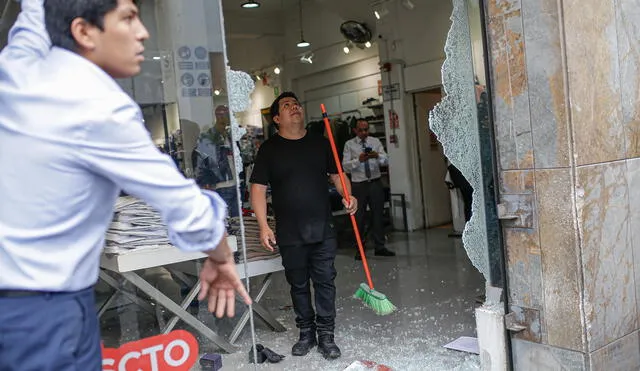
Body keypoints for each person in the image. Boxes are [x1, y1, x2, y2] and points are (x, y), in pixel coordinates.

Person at [0, 1, 251, 370]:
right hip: (46, 317)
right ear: (84, 31)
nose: (143, 31)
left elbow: (36, 13)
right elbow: (186, 206)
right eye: (128, 18)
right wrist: (220, 255)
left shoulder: (19, 65)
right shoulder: (99, 108)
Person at [250, 92, 357, 360]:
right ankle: (306, 333)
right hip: (289, 230)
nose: (294, 107)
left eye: (296, 104)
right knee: (297, 285)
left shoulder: (320, 144)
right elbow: (258, 189)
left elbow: (337, 175)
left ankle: (327, 335)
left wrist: (348, 195)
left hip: (322, 227)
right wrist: (263, 225)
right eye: (286, 105)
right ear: (276, 118)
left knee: (325, 282)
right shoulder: (269, 149)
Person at [342, 119, 396, 260]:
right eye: (361, 130)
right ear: (355, 130)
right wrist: (358, 160)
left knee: (378, 215)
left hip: (375, 183)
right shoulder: (349, 145)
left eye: (366, 129)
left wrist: (377, 156)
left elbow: (387, 159)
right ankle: (360, 249)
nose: (364, 132)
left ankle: (380, 246)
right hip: (359, 185)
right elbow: (345, 166)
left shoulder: (375, 142)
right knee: (359, 218)